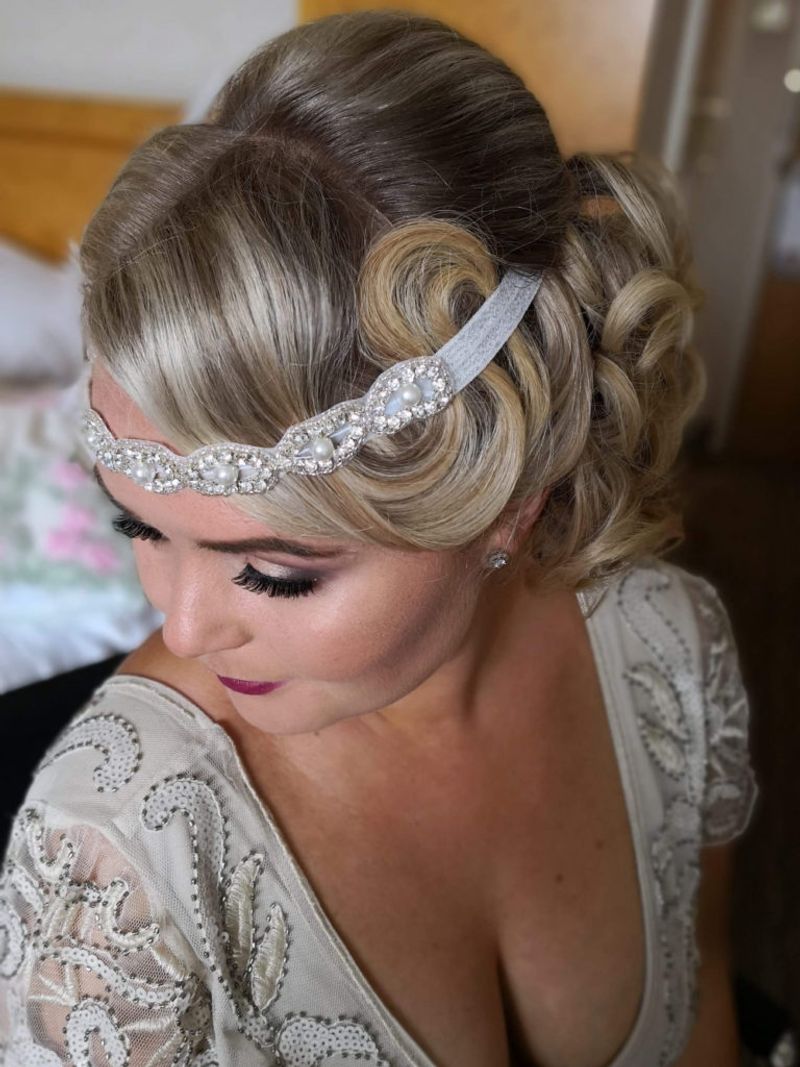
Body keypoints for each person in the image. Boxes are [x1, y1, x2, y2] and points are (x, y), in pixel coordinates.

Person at [0, 11, 759, 1067]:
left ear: (509, 494)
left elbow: (707, 1005)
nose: (182, 624)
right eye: (141, 525)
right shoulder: (115, 856)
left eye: (273, 571)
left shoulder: (669, 644)